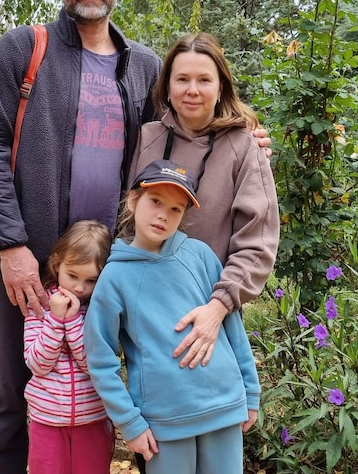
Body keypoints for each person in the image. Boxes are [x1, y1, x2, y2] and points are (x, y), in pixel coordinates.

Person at [0, 0, 272, 474]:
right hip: (32, 264)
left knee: (100, 395)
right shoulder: (23, 49)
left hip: (110, 270)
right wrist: (9, 245)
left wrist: (244, 132)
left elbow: (181, 128)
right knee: (13, 394)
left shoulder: (144, 66)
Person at [84, 160, 261, 474]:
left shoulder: (201, 256)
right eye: (155, 202)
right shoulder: (114, 277)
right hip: (166, 421)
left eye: (176, 209)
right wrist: (129, 423)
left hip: (224, 407)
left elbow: (233, 327)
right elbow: (100, 359)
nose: (164, 215)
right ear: (134, 200)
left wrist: (250, 391)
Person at [128, 32, 280, 373]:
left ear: (221, 86)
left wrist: (218, 307)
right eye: (182, 79)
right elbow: (126, 220)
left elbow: (257, 242)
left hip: (213, 315)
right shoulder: (147, 139)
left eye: (203, 80)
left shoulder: (245, 147)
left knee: (215, 415)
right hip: (149, 313)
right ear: (166, 86)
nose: (192, 90)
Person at [23, 220, 115, 474]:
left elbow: (92, 364)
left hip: (93, 419)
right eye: (72, 275)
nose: (78, 287)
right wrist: (54, 320)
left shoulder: (98, 310)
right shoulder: (39, 306)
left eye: (90, 280)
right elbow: (38, 364)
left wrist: (73, 322)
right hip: (47, 420)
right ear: (56, 263)